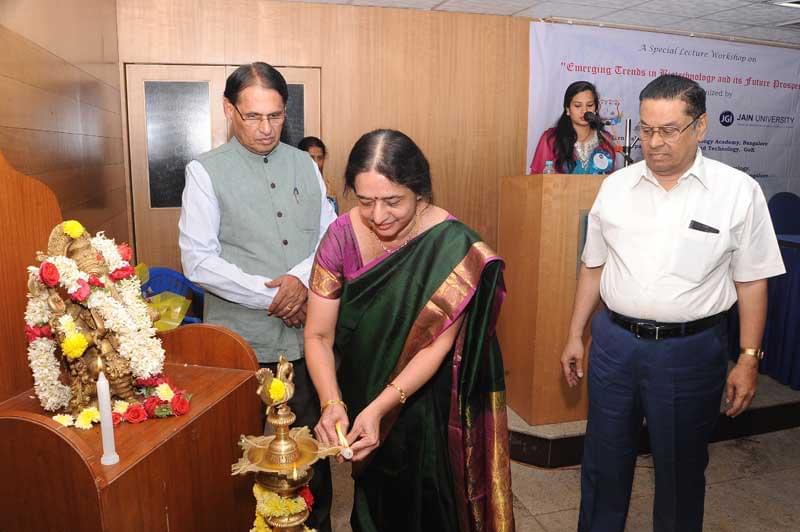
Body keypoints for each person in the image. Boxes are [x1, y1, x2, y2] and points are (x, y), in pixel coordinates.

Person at [560, 74, 785, 532]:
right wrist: (574, 334)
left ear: (700, 126)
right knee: (603, 462)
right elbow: (593, 266)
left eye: (668, 130)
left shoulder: (737, 192)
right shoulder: (616, 187)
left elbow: (752, 281)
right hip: (614, 346)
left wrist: (748, 359)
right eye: (646, 130)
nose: (654, 142)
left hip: (689, 352)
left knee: (681, 472)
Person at [303, 129, 515, 532]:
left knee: (424, 503)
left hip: (425, 399)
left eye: (393, 201)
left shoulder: (451, 245)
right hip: (360, 388)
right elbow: (318, 335)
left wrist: (381, 408)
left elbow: (435, 347)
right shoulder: (340, 238)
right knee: (375, 502)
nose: (378, 215)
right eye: (365, 201)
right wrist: (332, 402)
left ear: (420, 192)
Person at [178, 62, 337, 532]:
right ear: (229, 110)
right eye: (253, 116)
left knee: (312, 449)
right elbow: (198, 260)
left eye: (276, 116)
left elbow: (329, 238)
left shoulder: (305, 165)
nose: (266, 128)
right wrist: (276, 295)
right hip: (239, 341)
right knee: (238, 450)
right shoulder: (205, 171)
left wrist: (300, 283)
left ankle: (315, 525)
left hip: (306, 338)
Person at [530, 80, 615, 175]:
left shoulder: (606, 140)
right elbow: (537, 178)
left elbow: (611, 179)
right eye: (577, 106)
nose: (584, 111)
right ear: (567, 109)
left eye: (590, 105)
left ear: (595, 109)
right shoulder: (551, 139)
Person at [299, 136, 338, 213]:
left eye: (320, 158)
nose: (316, 163)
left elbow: (334, 217)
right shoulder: (294, 187)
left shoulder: (328, 189)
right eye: (311, 158)